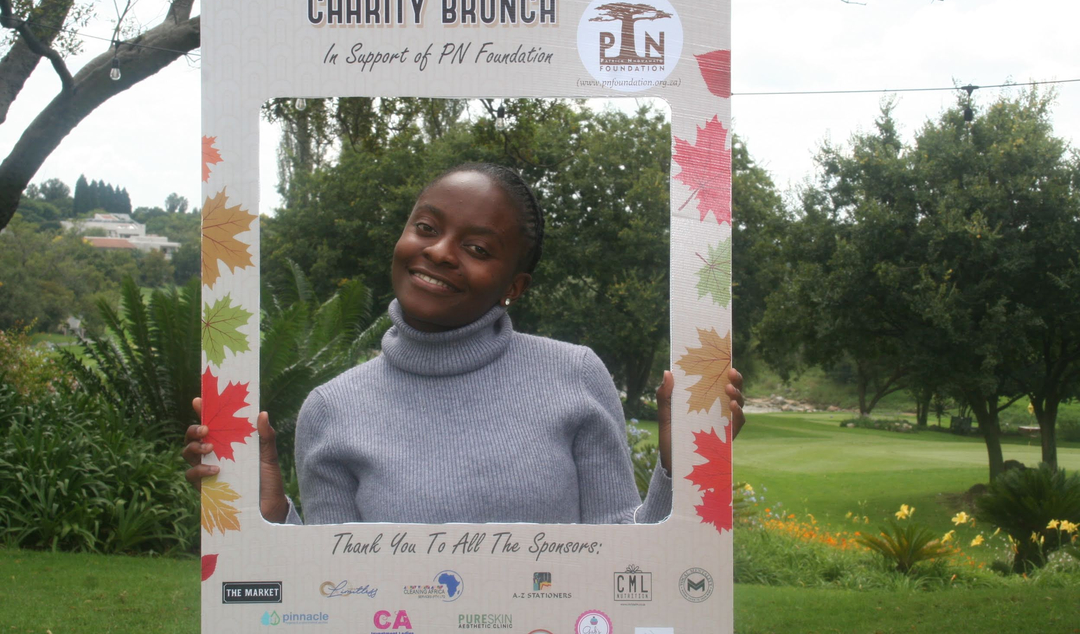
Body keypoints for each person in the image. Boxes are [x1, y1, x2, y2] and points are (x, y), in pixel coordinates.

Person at [184, 162, 744, 524]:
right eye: (426, 228)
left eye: (477, 249)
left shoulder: (574, 375)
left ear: (514, 287)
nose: (439, 252)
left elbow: (625, 563)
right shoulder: (331, 409)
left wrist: (683, 468)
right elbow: (333, 592)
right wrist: (266, 518)